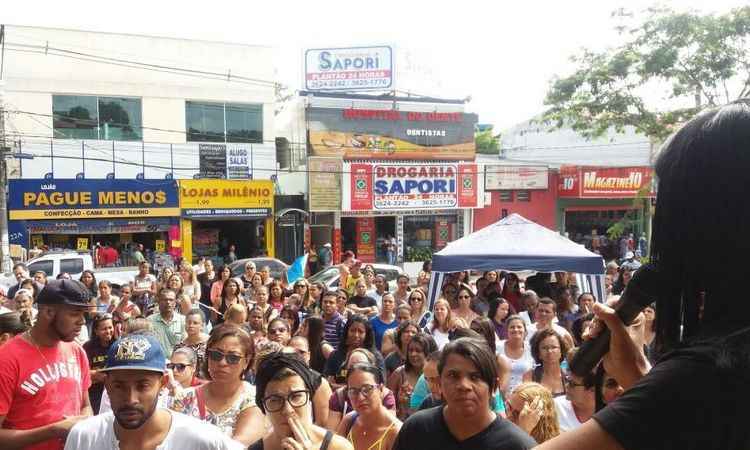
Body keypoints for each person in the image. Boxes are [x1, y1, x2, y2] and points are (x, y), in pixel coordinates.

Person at [64, 333, 240, 450]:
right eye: (119, 386)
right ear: (107, 385)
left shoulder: (202, 440)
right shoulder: (84, 438)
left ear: (162, 383)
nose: (131, 399)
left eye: (143, 386)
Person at [392, 338, 536, 450]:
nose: (464, 386)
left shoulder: (517, 445)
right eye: (453, 375)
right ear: (440, 382)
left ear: (494, 387)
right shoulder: (417, 429)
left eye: (475, 377)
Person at [0, 279, 94, 450]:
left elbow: (86, 406)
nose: (81, 321)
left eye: (83, 314)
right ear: (48, 312)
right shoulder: (7, 359)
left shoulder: (77, 351)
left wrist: (82, 424)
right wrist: (53, 431)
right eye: (75, 313)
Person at [171, 324, 264, 446]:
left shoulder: (255, 399)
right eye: (216, 355)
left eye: (233, 357)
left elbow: (240, 446)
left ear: (246, 362)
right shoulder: (184, 398)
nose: (222, 363)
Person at [249, 352, 353, 450]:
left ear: (309, 398)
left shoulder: (339, 447)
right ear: (263, 405)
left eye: (296, 396)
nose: (288, 410)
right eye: (275, 400)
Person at [337, 363, 402, 450]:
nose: (360, 397)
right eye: (353, 391)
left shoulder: (395, 432)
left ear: (381, 389)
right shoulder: (349, 422)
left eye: (367, 389)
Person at [325, 315, 384, 390]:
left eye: (361, 332)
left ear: (367, 334)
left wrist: (339, 386)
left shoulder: (376, 357)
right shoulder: (337, 355)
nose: (356, 335)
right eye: (352, 331)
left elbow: (380, 385)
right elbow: (327, 381)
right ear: (347, 331)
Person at [387, 333, 437, 420]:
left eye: (418, 351)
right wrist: (401, 402)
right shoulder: (399, 373)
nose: (413, 354)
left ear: (428, 353)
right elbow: (387, 404)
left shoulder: (437, 374)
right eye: (410, 350)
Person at [83, 313, 116, 414]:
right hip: (95, 394)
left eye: (110, 327)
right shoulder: (88, 347)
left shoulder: (118, 345)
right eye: (104, 329)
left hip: (114, 392)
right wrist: (95, 374)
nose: (108, 331)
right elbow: (82, 372)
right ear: (96, 331)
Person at [523, 329, 569, 397]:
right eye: (544, 348)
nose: (549, 351)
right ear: (538, 353)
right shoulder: (530, 376)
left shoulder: (569, 377)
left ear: (561, 351)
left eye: (554, 347)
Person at [498, 315, 536, 395]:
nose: (516, 329)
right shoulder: (497, 347)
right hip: (500, 396)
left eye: (519, 327)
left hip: (524, 395)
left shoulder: (532, 349)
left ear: (525, 331)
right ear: (506, 331)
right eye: (512, 327)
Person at [147, 288, 186, 357]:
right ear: (158, 302)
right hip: (156, 361)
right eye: (165, 300)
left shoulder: (183, 320)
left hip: (176, 363)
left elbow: (185, 344)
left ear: (175, 302)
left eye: (171, 300)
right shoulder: (149, 321)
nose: (168, 302)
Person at [174, 309, 209, 379]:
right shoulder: (179, 347)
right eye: (188, 322)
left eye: (195, 323)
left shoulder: (210, 343)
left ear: (202, 326)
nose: (191, 325)